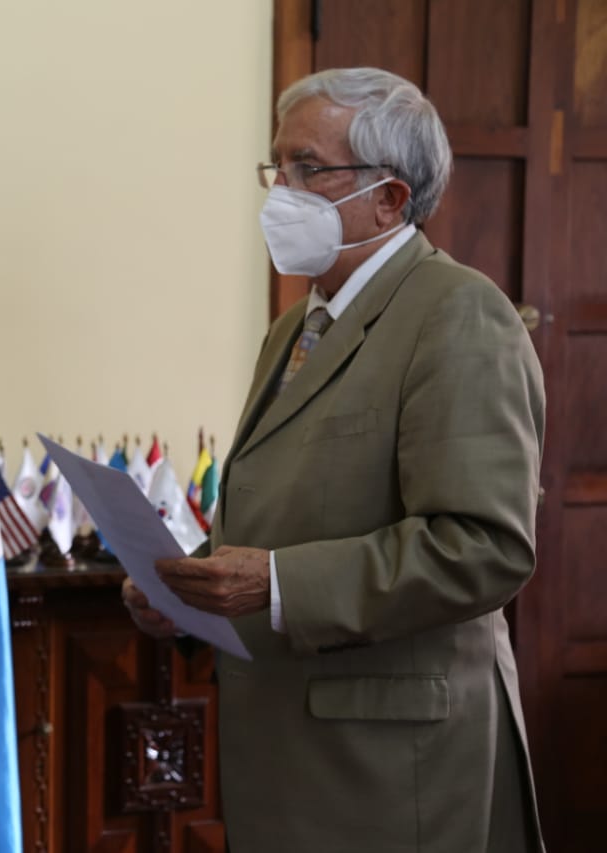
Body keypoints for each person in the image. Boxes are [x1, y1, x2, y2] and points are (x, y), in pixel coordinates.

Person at [122, 68, 545, 852]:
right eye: (276, 167)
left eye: (308, 169)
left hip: (391, 769)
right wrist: (184, 592)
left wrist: (275, 583)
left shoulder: (459, 315)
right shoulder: (294, 328)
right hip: (288, 750)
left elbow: (485, 547)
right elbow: (288, 507)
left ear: (390, 198)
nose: (281, 190)